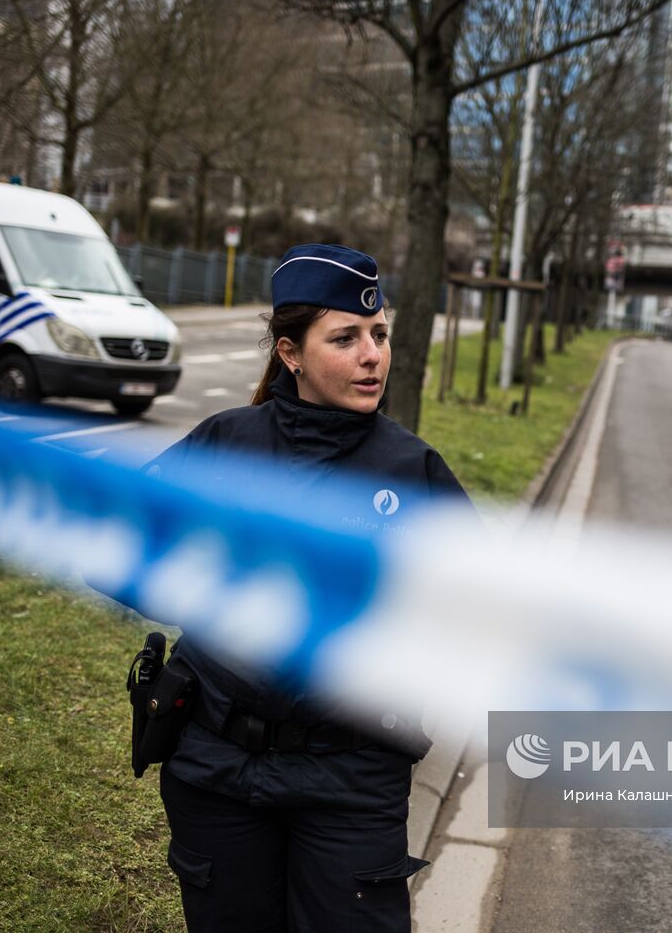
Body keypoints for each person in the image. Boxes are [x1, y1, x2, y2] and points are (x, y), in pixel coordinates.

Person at [143, 243, 473, 933]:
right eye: (346, 337)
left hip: (350, 779)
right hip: (217, 767)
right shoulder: (224, 444)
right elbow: (117, 546)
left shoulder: (412, 471)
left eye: (378, 334)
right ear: (291, 353)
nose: (372, 355)